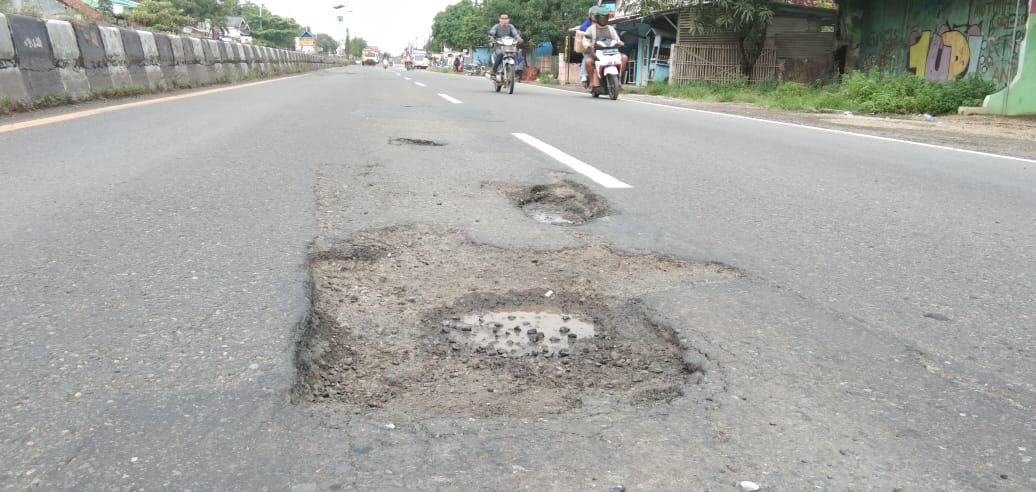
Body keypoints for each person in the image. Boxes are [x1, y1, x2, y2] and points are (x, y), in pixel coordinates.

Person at [583, 6, 628, 89]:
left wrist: (620, 42)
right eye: (601, 18)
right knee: (588, 61)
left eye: (605, 18)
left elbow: (617, 39)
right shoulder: (590, 29)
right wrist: (588, 44)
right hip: (597, 55)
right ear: (597, 18)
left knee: (624, 57)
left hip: (612, 53)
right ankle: (592, 83)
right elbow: (585, 40)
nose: (603, 20)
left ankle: (618, 80)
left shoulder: (611, 29)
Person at [488, 12, 522, 78]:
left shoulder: (511, 26)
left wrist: (519, 38)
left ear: (508, 20)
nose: (504, 20)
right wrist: (491, 38)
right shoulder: (496, 26)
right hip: (499, 46)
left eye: (506, 18)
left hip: (510, 47)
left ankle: (514, 71)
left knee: (516, 54)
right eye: (502, 18)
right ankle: (494, 71)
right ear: (499, 19)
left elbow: (515, 34)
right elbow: (492, 33)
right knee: (500, 54)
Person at [575, 6, 595, 87]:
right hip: (589, 46)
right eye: (593, 14)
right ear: (590, 15)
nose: (595, 16)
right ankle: (583, 75)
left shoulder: (602, 23)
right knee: (587, 56)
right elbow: (583, 28)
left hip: (601, 47)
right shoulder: (588, 23)